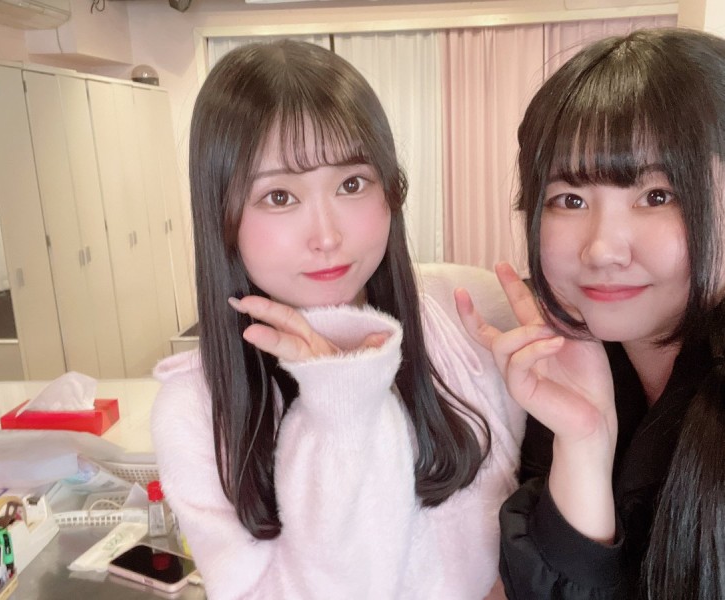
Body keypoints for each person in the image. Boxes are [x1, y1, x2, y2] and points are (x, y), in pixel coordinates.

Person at [151, 40, 526, 600]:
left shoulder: (465, 310)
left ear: (391, 189)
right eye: (279, 196)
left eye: (352, 184)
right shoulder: (196, 408)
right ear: (221, 215)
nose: (327, 236)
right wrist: (341, 403)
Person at [455, 28, 725, 599]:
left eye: (658, 196)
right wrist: (584, 444)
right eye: (570, 200)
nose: (601, 250)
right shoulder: (572, 365)